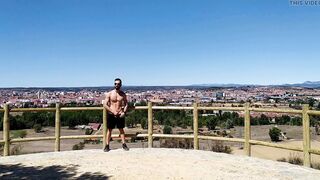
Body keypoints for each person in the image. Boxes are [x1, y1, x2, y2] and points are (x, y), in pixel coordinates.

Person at [103, 78, 129, 152]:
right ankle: (107, 145)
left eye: (118, 84)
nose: (116, 85)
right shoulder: (110, 93)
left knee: (121, 130)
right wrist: (112, 111)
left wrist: (124, 112)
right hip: (111, 114)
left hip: (120, 114)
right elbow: (105, 104)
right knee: (109, 130)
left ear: (120, 84)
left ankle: (124, 144)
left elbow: (126, 104)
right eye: (115, 83)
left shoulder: (123, 94)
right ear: (114, 84)